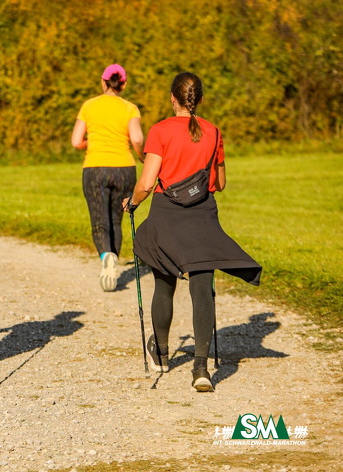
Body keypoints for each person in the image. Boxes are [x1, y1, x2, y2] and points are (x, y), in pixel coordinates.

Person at [123, 72, 261, 392]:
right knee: (202, 290)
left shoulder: (160, 131)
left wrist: (132, 203)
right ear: (200, 99)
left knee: (164, 286)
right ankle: (201, 368)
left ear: (173, 98)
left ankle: (161, 353)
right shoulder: (213, 132)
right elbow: (220, 183)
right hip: (202, 215)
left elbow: (146, 183)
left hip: (166, 215)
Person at [71, 64, 144, 292]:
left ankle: (106, 256)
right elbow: (137, 139)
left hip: (95, 168)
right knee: (115, 220)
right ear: (124, 84)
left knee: (99, 220)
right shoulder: (130, 108)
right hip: (124, 168)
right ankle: (113, 262)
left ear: (103, 82)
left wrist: (92, 142)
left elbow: (76, 141)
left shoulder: (89, 105)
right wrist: (142, 157)